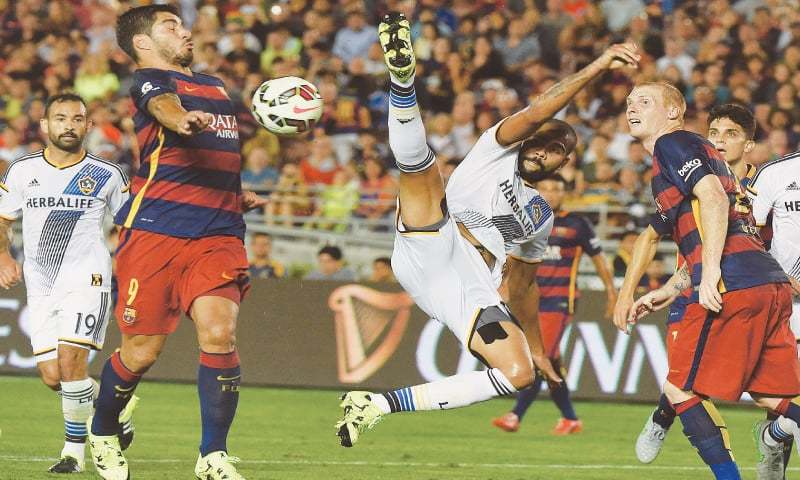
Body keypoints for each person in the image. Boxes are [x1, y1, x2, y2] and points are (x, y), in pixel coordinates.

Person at [334, 12, 639, 448]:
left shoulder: (541, 214)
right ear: (528, 138)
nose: (546, 152)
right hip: (437, 240)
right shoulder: (495, 149)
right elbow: (540, 110)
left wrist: (537, 348)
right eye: (543, 141)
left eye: (559, 152)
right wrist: (597, 66)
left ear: (563, 164)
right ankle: (403, 83)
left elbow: (523, 285)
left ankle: (377, 406)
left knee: (519, 374)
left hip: (469, 288)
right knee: (422, 173)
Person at [87, 6, 266, 480]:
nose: (184, 31)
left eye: (182, 24)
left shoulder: (217, 87)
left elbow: (220, 157)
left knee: (219, 332)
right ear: (143, 42)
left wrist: (234, 194)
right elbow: (165, 109)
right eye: (170, 26)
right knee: (141, 352)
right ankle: (103, 430)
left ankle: (213, 456)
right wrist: (183, 120)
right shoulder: (148, 82)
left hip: (218, 233)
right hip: (155, 233)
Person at [623, 84, 799, 479]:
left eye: (644, 101)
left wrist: (712, 273)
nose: (632, 107)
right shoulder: (714, 165)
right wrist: (669, 289)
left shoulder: (674, 144)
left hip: (730, 283)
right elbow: (715, 223)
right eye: (629, 101)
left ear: (674, 112)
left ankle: (692, 446)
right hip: (769, 284)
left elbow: (715, 204)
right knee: (770, 394)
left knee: (679, 388)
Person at [0, 93, 136, 473]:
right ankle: (115, 405)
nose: (69, 125)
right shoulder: (22, 171)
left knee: (71, 360)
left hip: (87, 277)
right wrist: (3, 256)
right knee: (52, 376)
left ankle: (73, 453)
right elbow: (3, 219)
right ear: (45, 126)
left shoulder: (107, 174)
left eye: (77, 119)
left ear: (88, 127)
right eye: (60, 118)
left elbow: (133, 226)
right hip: (40, 282)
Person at [492, 173, 617, 435]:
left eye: (556, 189)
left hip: (558, 301)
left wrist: (611, 292)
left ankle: (515, 415)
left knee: (540, 357)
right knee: (552, 363)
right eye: (545, 188)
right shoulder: (525, 221)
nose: (550, 193)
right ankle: (570, 418)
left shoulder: (577, 224)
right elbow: (509, 256)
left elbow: (598, 258)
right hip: (526, 301)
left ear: (565, 194)